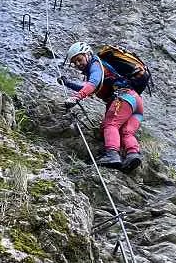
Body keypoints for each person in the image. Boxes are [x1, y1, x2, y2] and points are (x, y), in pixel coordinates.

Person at [60, 41, 144, 171]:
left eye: (79, 59)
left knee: (110, 125)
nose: (77, 64)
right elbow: (89, 86)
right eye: (74, 62)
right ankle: (132, 155)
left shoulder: (95, 65)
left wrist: (76, 97)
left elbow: (93, 83)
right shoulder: (100, 68)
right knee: (126, 132)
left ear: (88, 54)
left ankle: (112, 154)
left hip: (123, 98)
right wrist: (67, 83)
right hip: (136, 102)